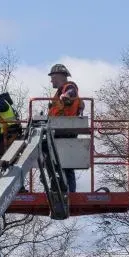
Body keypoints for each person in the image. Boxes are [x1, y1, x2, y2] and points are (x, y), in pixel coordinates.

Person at [47, 64, 83, 192]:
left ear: (59, 76)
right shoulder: (59, 92)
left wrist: (66, 95)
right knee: (62, 164)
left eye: (52, 77)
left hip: (65, 130)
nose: (51, 80)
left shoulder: (69, 87)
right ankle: (61, 189)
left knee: (65, 165)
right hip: (60, 130)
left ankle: (68, 192)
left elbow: (72, 92)